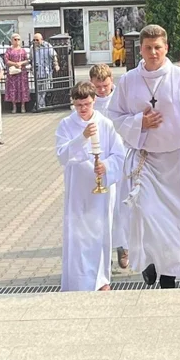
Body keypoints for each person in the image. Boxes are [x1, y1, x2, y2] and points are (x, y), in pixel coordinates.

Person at [106, 24, 180, 289]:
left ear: (166, 48)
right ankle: (150, 262)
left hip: (177, 160)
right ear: (141, 50)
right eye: (148, 48)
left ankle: (167, 273)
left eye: (158, 47)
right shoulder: (129, 80)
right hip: (147, 161)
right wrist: (139, 122)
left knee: (174, 221)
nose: (153, 52)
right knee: (147, 215)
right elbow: (115, 116)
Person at [55, 82, 126, 292]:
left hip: (101, 187)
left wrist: (106, 166)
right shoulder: (66, 125)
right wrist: (82, 137)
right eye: (78, 105)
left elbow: (119, 154)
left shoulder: (105, 124)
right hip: (78, 187)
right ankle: (78, 282)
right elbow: (62, 154)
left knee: (100, 232)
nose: (83, 109)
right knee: (78, 235)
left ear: (94, 101)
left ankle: (102, 279)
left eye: (86, 104)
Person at [89, 63, 127, 269]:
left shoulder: (120, 98)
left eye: (105, 86)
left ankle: (123, 246)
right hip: (96, 160)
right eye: (98, 87)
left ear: (112, 81)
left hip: (118, 158)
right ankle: (104, 251)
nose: (102, 90)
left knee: (120, 205)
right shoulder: (90, 102)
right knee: (100, 208)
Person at [4, 33, 31, 114]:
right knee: (13, 88)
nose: (17, 41)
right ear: (12, 40)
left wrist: (21, 63)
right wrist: (14, 64)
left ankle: (23, 105)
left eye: (18, 39)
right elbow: (6, 60)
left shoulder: (23, 50)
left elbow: (27, 60)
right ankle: (14, 106)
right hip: (12, 73)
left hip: (22, 72)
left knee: (22, 88)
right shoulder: (9, 50)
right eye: (15, 39)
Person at [32, 33, 59, 109]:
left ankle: (39, 105)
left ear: (42, 39)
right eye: (34, 40)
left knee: (43, 89)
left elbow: (54, 56)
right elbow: (31, 59)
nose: (35, 41)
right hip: (36, 72)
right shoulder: (32, 47)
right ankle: (40, 105)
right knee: (38, 89)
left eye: (37, 40)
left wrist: (56, 65)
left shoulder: (47, 46)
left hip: (45, 71)